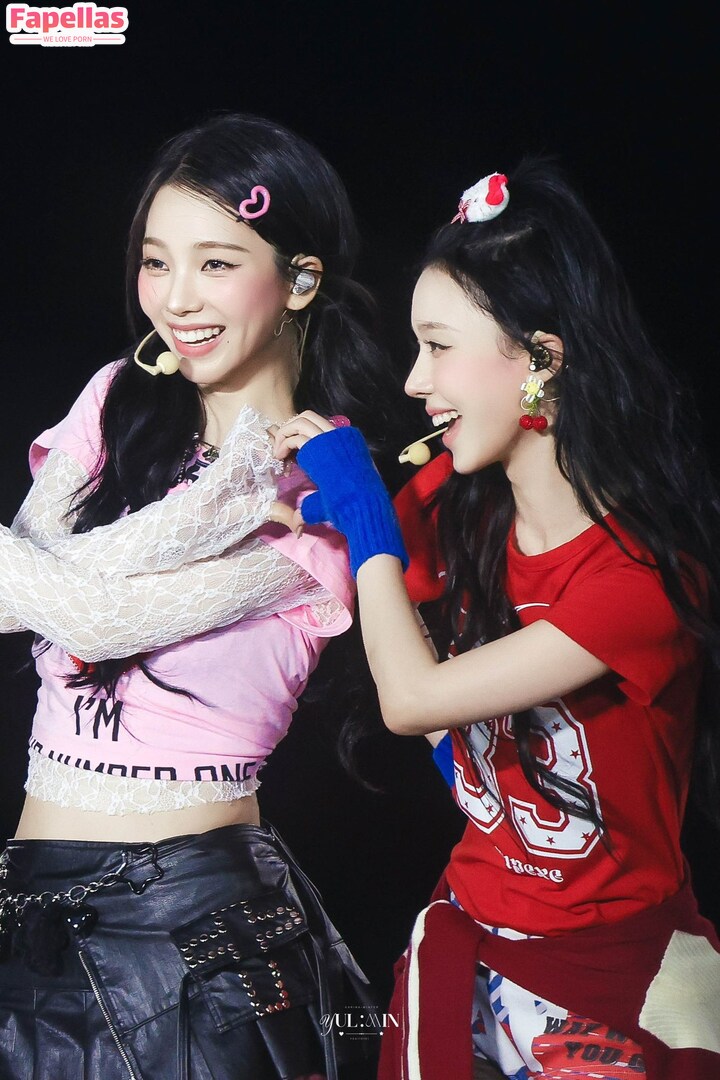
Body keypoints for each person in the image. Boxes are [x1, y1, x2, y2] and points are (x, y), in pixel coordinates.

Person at [272, 160, 720, 1079]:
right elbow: (351, 581)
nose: (414, 380)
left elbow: (411, 697)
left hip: (612, 985)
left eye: (438, 347)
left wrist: (363, 514)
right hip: (469, 952)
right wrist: (316, 512)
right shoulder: (458, 509)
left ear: (542, 361)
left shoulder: (644, 579)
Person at [0, 112, 394, 1080]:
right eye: (155, 261)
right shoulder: (116, 400)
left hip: (193, 936)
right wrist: (209, 507)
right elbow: (14, 601)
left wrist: (250, 481)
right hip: (32, 916)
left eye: (216, 263)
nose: (175, 299)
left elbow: (92, 617)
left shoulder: (322, 488)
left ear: (300, 278)